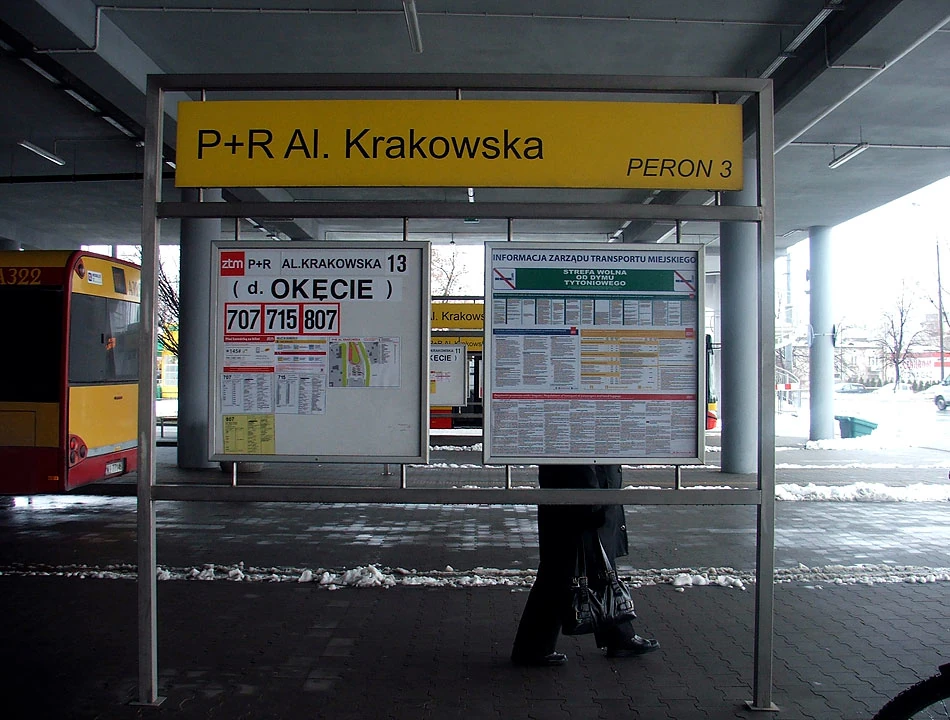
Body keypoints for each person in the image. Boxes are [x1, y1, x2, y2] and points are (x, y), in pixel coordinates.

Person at [511, 463, 660, 666]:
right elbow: (580, 458)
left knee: (582, 568)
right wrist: (592, 498)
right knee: (566, 571)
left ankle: (618, 636)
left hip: (581, 495)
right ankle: (533, 648)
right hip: (583, 496)